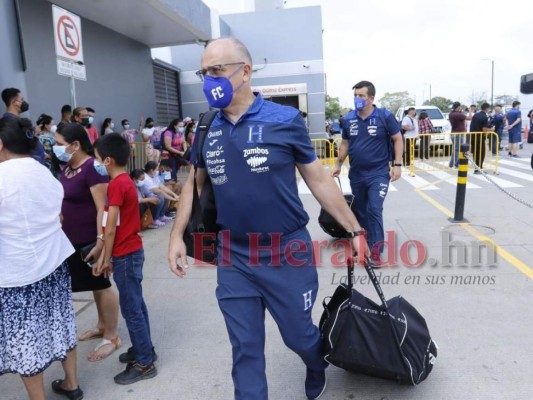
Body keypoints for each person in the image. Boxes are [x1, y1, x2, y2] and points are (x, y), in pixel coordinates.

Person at [168, 37, 367, 400]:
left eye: (217, 70)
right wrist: (176, 236)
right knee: (245, 348)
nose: (209, 80)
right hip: (234, 255)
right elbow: (193, 186)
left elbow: (319, 179)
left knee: (299, 336)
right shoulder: (205, 127)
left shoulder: (285, 120)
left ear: (245, 72)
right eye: (204, 72)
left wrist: (354, 229)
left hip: (286, 252)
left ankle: (315, 361)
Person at [0, 117, 83, 400]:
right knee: (61, 321)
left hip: (18, 273)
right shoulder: (44, 171)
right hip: (55, 262)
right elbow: (57, 215)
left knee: (26, 339)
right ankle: (72, 383)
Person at [93, 133, 157, 385]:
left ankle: (144, 363)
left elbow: (110, 228)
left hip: (124, 253)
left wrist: (105, 258)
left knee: (132, 309)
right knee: (137, 305)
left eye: (97, 159)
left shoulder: (117, 184)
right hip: (131, 250)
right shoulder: (125, 181)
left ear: (107, 160)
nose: (96, 163)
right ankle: (145, 348)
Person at [55, 122, 121, 362]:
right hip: (71, 240)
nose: (56, 148)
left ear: (75, 145)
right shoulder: (68, 167)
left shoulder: (93, 168)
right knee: (94, 284)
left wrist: (101, 242)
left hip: (91, 240)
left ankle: (112, 336)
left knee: (103, 284)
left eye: (60, 144)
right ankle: (103, 325)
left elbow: (103, 208)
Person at [333, 80, 403, 264]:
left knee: (374, 209)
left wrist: (397, 165)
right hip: (356, 174)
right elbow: (345, 143)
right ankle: (362, 247)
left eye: (361, 96)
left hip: (378, 173)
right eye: (355, 95)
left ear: (371, 98)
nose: (357, 98)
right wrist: (338, 164)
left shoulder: (384, 116)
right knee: (361, 212)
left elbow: (397, 139)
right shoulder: (348, 119)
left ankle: (376, 252)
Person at [1, 87, 46, 165]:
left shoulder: (7, 122)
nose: (24, 102)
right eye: (21, 100)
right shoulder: (13, 125)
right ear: (13, 102)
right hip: (29, 166)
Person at [469, 102, 494, 173]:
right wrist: (491, 129)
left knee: (475, 152)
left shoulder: (476, 115)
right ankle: (479, 168)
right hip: (480, 137)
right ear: (487, 108)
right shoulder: (484, 117)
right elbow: (484, 129)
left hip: (473, 136)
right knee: (481, 153)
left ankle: (476, 168)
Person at [448, 101, 472, 168]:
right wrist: (470, 111)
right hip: (459, 134)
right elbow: (470, 118)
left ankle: (451, 164)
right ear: (458, 107)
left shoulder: (451, 114)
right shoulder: (459, 114)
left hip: (453, 132)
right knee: (457, 149)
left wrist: (460, 111)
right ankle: (456, 164)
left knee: (455, 149)